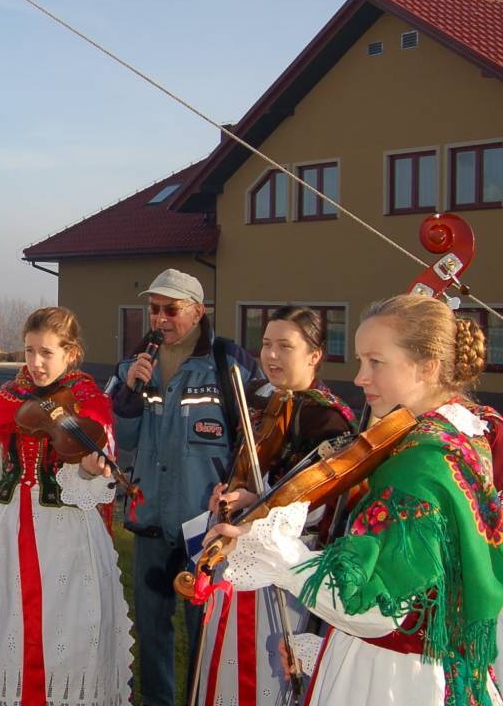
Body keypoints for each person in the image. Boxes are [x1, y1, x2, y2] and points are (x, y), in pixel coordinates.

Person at [213, 294, 503, 705]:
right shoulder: (467, 436)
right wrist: (320, 650)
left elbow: (376, 609)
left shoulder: (420, 462)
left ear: (428, 367)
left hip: (395, 682)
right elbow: (426, 592)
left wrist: (274, 552)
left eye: (376, 362)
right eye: (360, 361)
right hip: (437, 664)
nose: (361, 377)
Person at [0, 306, 133, 706]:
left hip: (67, 539)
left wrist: (89, 472)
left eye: (46, 353)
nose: (35, 363)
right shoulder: (7, 399)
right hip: (6, 534)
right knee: (3, 634)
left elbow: (97, 483)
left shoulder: (90, 403)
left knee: (68, 637)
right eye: (29, 351)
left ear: (71, 353)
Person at [109, 268, 260, 706]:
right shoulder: (133, 366)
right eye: (154, 309)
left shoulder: (227, 361)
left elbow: (257, 437)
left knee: (204, 627)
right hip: (150, 517)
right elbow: (124, 442)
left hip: (204, 525)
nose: (160, 319)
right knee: (152, 628)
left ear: (197, 311)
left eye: (170, 310)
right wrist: (130, 394)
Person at [195, 306, 355, 705]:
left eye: (285, 346)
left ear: (315, 355)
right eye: (266, 344)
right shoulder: (257, 397)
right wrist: (228, 495)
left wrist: (261, 503)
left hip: (287, 567)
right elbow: (244, 468)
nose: (270, 355)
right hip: (238, 550)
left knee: (268, 670)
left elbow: (324, 506)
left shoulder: (328, 419)